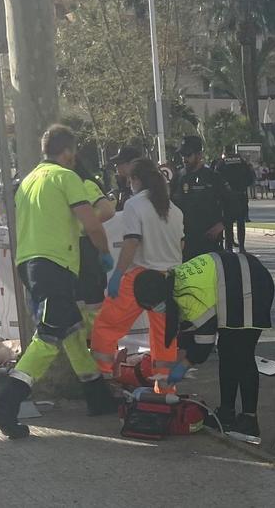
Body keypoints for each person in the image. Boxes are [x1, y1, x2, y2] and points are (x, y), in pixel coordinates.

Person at [0, 125, 117, 439]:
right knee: (47, 338)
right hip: (55, 266)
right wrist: (103, 253)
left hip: (30, 264)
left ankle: (98, 397)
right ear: (69, 151)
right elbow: (92, 224)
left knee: (70, 330)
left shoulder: (27, 181)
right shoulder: (66, 177)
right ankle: (5, 406)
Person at [132, 251, 274, 436]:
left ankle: (249, 419)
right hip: (234, 285)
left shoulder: (187, 296)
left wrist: (182, 366)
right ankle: (226, 413)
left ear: (159, 297)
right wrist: (179, 359)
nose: (156, 311)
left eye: (153, 306)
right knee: (227, 352)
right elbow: (189, 330)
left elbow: (204, 342)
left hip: (250, 286)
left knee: (242, 355)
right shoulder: (171, 283)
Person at [91, 159, 184, 388]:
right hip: (171, 279)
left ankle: (102, 378)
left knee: (106, 326)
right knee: (165, 339)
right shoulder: (175, 210)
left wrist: (117, 275)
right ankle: (164, 389)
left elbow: (132, 242)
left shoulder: (134, 205)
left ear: (136, 180)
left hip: (141, 278)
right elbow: (181, 246)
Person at [74, 160, 117, 336]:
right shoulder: (66, 185)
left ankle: (100, 348)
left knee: (93, 304)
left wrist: (84, 226)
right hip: (72, 250)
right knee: (79, 306)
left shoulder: (85, 184)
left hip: (86, 246)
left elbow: (107, 210)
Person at [171, 135, 231, 260]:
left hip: (208, 241)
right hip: (184, 241)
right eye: (182, 155)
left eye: (188, 155)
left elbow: (232, 204)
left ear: (199, 155)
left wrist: (222, 224)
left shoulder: (213, 177)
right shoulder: (178, 177)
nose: (184, 159)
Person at [214, 146, 254, 253]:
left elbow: (215, 178)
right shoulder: (242, 162)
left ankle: (229, 247)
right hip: (241, 196)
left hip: (227, 198)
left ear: (225, 152)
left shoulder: (221, 163)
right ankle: (241, 247)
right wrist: (243, 186)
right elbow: (251, 177)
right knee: (241, 223)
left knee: (228, 224)